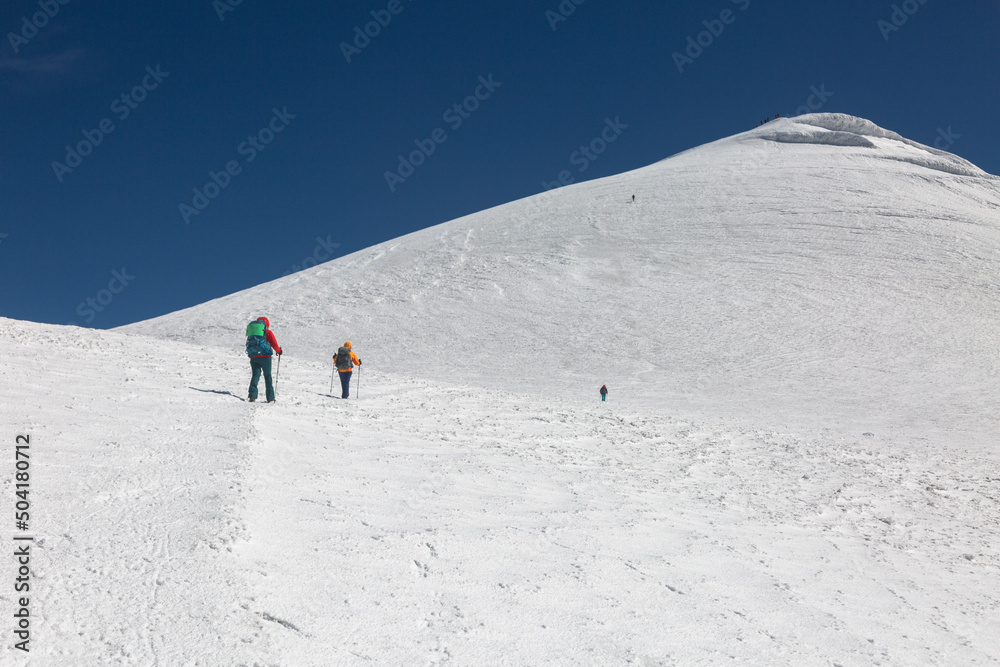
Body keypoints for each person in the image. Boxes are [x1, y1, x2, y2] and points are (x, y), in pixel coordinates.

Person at [247, 316, 282, 403]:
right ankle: (270, 398)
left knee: (255, 375)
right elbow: (274, 343)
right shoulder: (267, 332)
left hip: (254, 356)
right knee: (267, 376)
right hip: (265, 357)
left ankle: (252, 396)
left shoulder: (253, 333)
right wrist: (279, 351)